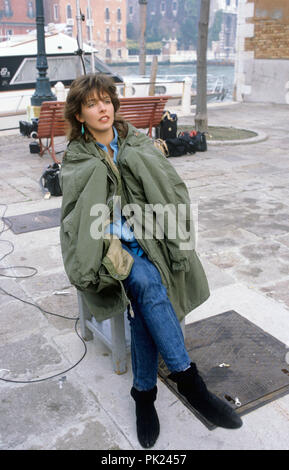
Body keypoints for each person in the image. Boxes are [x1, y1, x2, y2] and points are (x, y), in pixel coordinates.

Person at [60, 73, 242, 449]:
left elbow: (165, 186)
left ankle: (144, 394)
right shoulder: (78, 157)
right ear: (79, 114)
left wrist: (142, 158)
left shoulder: (135, 142)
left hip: (150, 235)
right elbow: (80, 211)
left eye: (106, 100)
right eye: (92, 104)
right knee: (145, 282)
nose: (102, 108)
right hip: (110, 247)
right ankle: (190, 381)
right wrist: (104, 175)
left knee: (144, 303)